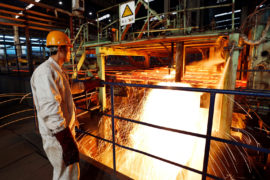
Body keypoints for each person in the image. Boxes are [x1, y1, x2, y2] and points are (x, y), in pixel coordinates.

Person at [31, 31, 101, 180]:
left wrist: (89, 84)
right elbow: (50, 109)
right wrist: (65, 140)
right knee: (67, 173)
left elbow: (68, 89)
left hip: (62, 132)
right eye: (68, 48)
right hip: (57, 135)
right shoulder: (45, 72)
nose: (70, 51)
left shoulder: (57, 70)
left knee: (66, 172)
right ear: (61, 48)